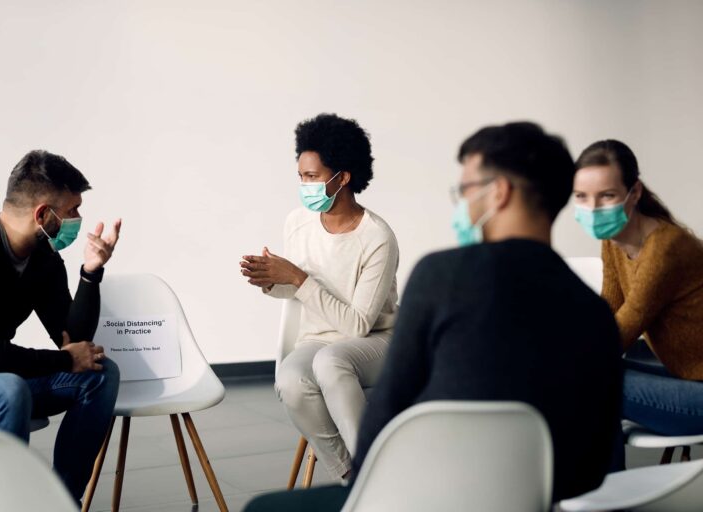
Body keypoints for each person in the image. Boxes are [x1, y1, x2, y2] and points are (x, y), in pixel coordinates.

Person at [244, 122, 623, 511]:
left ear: (500, 193)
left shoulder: (440, 278)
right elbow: (594, 466)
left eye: (466, 191)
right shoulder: (595, 314)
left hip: (428, 496)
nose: (461, 203)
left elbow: (390, 410)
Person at [0, 150, 122, 502]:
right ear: (42, 214)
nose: (78, 219)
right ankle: (6, 505)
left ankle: (63, 502)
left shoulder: (43, 260)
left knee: (100, 374)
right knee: (7, 390)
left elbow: (73, 340)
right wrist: (66, 361)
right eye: (71, 211)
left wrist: (91, 272)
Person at [240, 113, 399, 481]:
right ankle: (353, 476)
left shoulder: (377, 237)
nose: (304, 185)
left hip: (375, 340)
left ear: (343, 177)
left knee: (330, 363)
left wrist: (296, 276)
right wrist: (269, 279)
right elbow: (296, 291)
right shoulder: (298, 221)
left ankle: (377, 474)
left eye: (312, 177)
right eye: (300, 176)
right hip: (318, 339)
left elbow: (358, 325)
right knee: (290, 380)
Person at [573, 139, 703, 467]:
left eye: (607, 195)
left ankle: (608, 498)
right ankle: (605, 495)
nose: (593, 207)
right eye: (582, 197)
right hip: (682, 372)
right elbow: (607, 313)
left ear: (635, 193)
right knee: (592, 370)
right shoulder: (613, 240)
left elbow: (623, 328)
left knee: (594, 377)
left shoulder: (665, 247)